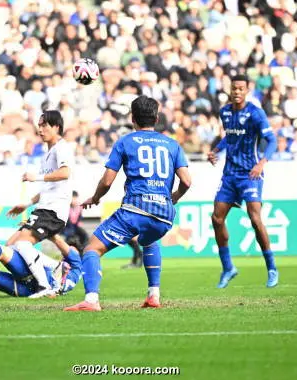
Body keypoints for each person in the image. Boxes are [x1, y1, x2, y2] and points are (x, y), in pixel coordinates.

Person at [64, 95, 192, 312]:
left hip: (135, 209)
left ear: (132, 118)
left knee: (92, 249)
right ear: (156, 117)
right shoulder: (172, 144)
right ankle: (154, 295)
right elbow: (187, 181)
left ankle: (92, 300)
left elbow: (107, 181)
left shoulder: (125, 142)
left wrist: (95, 198)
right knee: (149, 240)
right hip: (164, 214)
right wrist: (175, 197)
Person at [0, 110, 82, 298]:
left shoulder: (61, 148)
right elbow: (49, 188)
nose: (40, 129)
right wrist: (26, 204)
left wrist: (36, 177)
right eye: (39, 125)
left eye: (44, 125)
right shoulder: (47, 153)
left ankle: (45, 282)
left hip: (53, 210)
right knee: (11, 245)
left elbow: (65, 173)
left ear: (56, 127)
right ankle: (49, 270)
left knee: (23, 245)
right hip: (44, 207)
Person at [207, 74, 279, 289]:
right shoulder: (225, 112)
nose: (237, 92)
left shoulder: (256, 114)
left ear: (247, 90)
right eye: (234, 88)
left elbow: (272, 140)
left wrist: (262, 163)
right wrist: (216, 151)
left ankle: (272, 268)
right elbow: (230, 137)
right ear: (230, 89)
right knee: (217, 218)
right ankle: (228, 267)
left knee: (255, 218)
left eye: (241, 88)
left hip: (251, 174)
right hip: (230, 174)